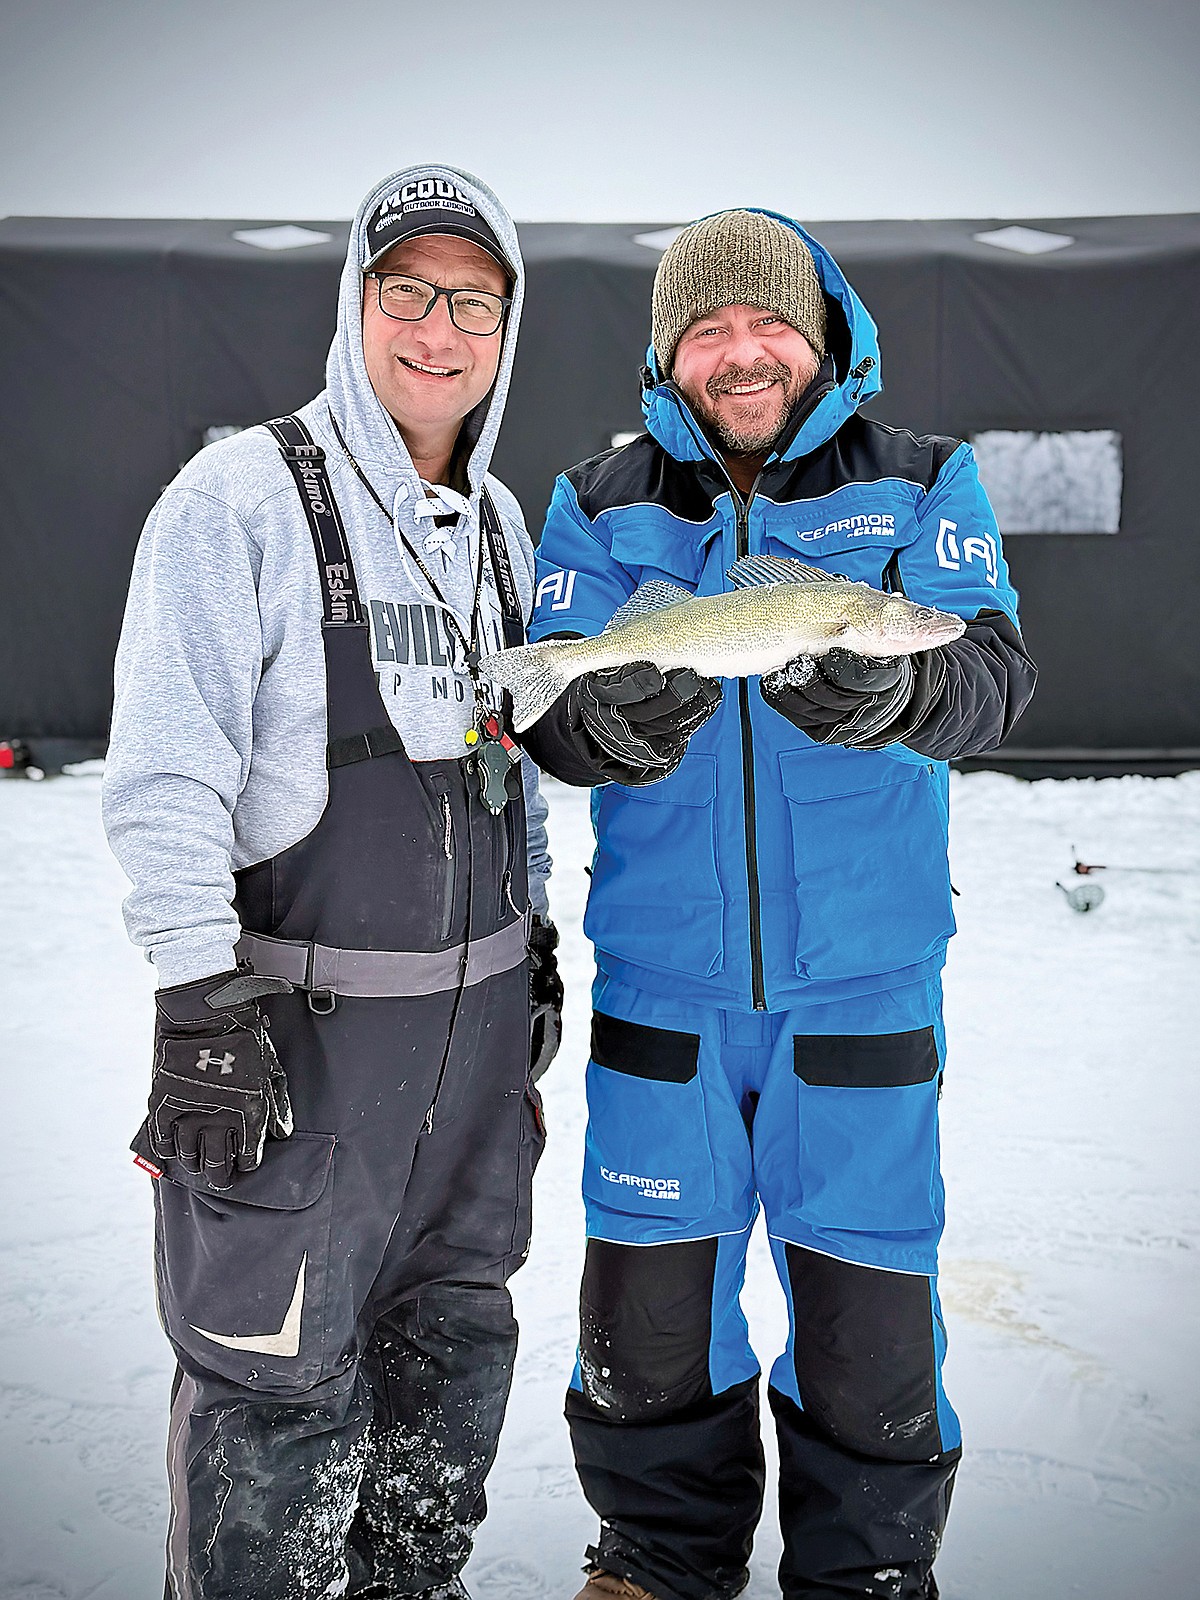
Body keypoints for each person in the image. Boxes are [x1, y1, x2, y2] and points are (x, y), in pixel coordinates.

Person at [521, 209, 1036, 1600]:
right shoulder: (599, 495)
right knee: (646, 1316)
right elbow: (555, 713)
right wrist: (604, 726)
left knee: (871, 1325)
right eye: (708, 329)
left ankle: (865, 1576)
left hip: (863, 987)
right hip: (662, 994)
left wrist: (905, 690)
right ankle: (653, 1564)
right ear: (669, 352)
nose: (740, 352)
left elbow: (989, 672)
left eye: (767, 323)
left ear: (821, 334)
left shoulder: (926, 480)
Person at [103, 164, 562, 1600]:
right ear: (355, 306)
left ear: (506, 326)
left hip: (475, 1064)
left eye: (471, 300)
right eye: (407, 291)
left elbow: (517, 764)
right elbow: (167, 776)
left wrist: (538, 939)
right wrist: (193, 997)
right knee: (272, 1402)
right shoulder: (239, 500)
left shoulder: (498, 530)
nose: (438, 329)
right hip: (297, 1055)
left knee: (445, 1382)